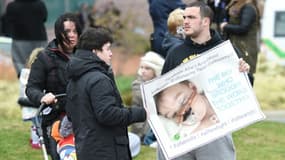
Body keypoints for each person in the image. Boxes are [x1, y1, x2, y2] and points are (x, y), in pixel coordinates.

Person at [158, 1, 250, 160]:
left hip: (214, 130)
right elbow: (163, 91)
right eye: (184, 17)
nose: (185, 21)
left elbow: (241, 90)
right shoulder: (175, 53)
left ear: (205, 21)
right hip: (181, 133)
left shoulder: (225, 51)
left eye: (191, 17)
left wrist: (244, 72)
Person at [65, 27, 146, 160]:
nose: (111, 53)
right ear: (95, 51)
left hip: (86, 149)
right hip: (106, 151)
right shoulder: (98, 80)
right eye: (107, 49)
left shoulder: (74, 80)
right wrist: (140, 113)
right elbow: (107, 114)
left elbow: (71, 114)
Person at [26, 13, 82, 160]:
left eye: (75, 31)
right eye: (67, 32)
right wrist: (42, 97)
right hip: (56, 118)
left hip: (84, 117)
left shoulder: (86, 56)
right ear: (59, 33)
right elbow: (31, 89)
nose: (72, 35)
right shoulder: (44, 58)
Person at [155, 80, 219, 140]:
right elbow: (178, 141)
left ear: (193, 88)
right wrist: (203, 127)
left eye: (183, 101)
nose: (182, 112)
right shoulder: (185, 131)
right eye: (174, 115)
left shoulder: (217, 90)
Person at [220, 0, 260, 85]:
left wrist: (225, 26)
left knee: (246, 77)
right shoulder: (234, 4)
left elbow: (243, 28)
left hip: (245, 49)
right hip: (236, 46)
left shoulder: (249, 7)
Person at [5, 0, 48, 78]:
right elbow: (44, 18)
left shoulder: (12, 6)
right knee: (40, 62)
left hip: (19, 39)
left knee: (20, 63)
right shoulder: (40, 4)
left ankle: (23, 82)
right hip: (39, 38)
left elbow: (8, 20)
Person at [131, 51, 164, 146]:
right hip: (143, 127)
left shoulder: (161, 83)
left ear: (155, 70)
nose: (143, 71)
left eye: (147, 68)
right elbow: (152, 102)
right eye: (141, 67)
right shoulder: (137, 85)